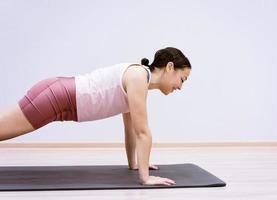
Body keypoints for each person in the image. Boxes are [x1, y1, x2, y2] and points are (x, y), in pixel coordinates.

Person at [0, 47, 191, 186]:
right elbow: (143, 132)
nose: (180, 87)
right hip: (58, 98)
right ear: (169, 67)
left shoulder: (140, 82)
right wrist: (145, 178)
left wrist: (134, 164)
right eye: (182, 79)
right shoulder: (138, 77)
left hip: (61, 99)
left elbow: (131, 128)